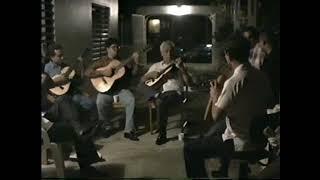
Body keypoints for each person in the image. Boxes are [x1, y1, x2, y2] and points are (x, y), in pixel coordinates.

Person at [183, 36, 272, 178]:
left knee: (190, 149)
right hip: (260, 140)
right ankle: (226, 170)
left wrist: (214, 95)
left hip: (239, 143)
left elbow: (215, 116)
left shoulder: (233, 82)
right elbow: (267, 103)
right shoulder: (262, 76)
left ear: (228, 55)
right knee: (217, 131)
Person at [41, 67, 106, 178]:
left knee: (65, 101)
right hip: (44, 128)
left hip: (47, 119)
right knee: (74, 120)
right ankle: (87, 168)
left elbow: (50, 84)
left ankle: (80, 128)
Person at [85, 38, 140, 141]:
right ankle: (106, 126)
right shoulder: (102, 61)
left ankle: (128, 130)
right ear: (107, 49)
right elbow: (87, 72)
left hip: (121, 90)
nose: (116, 49)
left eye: (117, 47)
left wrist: (136, 62)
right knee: (100, 101)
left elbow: (134, 74)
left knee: (131, 99)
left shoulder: (123, 61)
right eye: (113, 47)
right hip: (107, 91)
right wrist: (102, 73)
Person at [141, 40, 192, 145]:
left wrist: (182, 69)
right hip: (160, 94)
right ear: (162, 53)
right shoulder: (156, 66)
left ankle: (162, 134)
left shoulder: (178, 65)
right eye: (166, 51)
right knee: (150, 93)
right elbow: (142, 80)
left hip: (175, 94)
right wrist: (150, 75)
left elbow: (189, 82)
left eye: (171, 51)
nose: (169, 54)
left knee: (161, 100)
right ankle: (153, 98)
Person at [44, 44, 98, 130]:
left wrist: (81, 66)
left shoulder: (66, 67)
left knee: (91, 103)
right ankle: (79, 130)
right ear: (52, 57)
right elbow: (44, 86)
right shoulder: (46, 68)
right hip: (58, 97)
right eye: (59, 56)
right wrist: (49, 95)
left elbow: (80, 82)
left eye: (63, 55)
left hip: (72, 94)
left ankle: (95, 126)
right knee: (70, 108)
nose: (62, 58)